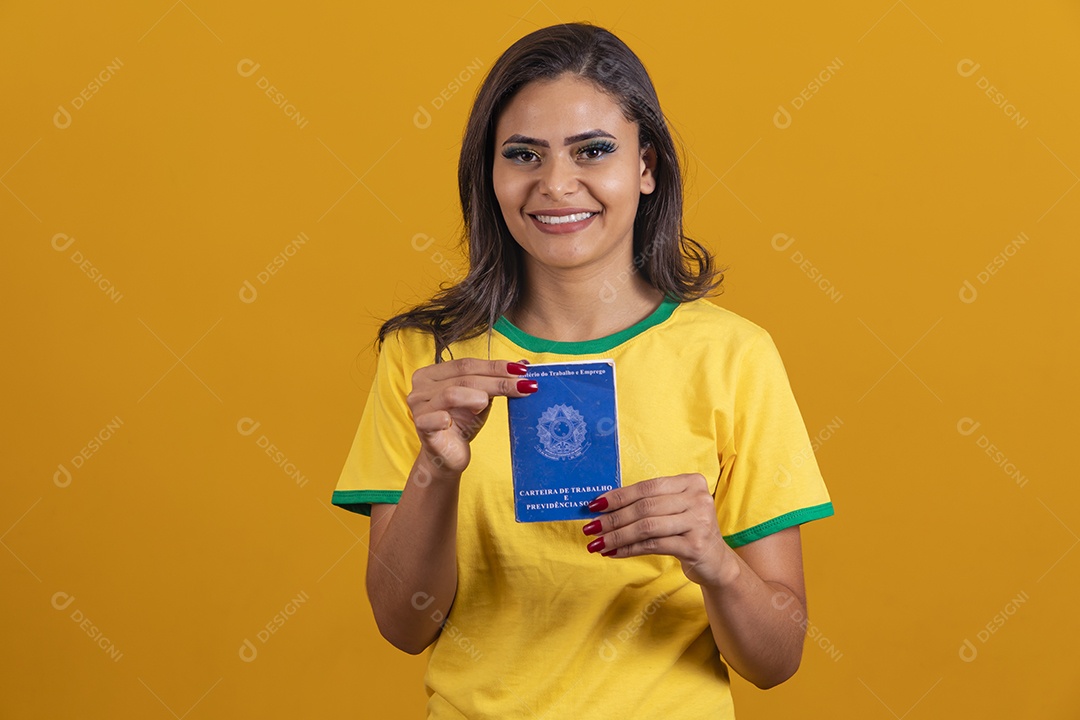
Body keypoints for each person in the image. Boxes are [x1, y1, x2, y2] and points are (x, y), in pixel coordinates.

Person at [332, 22, 834, 719]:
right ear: (491, 173)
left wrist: (714, 561)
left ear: (646, 166)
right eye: (523, 155)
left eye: (592, 151)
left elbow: (777, 661)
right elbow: (402, 624)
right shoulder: (426, 358)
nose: (556, 185)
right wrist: (436, 468)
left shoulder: (734, 355)